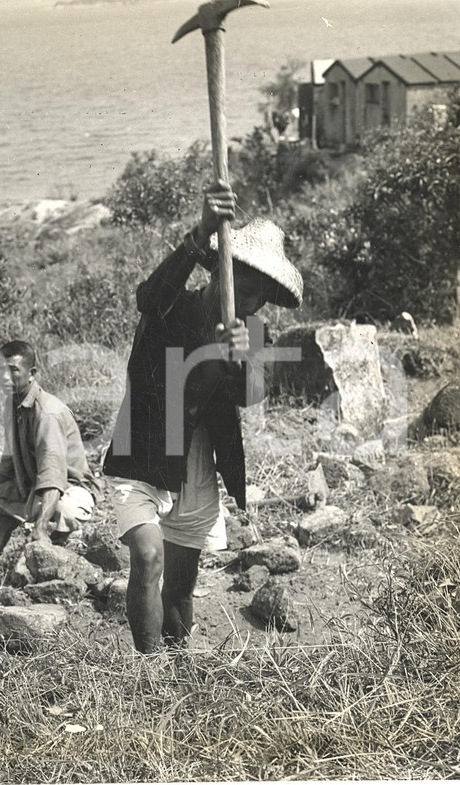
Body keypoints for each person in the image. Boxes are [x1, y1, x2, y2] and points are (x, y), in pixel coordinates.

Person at [102, 182, 303, 654]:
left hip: (195, 467)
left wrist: (238, 358)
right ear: (221, 270)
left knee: (180, 585)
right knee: (148, 558)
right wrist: (199, 235)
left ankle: (179, 663)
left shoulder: (250, 331)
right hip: (144, 451)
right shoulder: (174, 305)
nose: (250, 299)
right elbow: (147, 297)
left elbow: (253, 393)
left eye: (260, 293)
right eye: (244, 284)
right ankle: (149, 671)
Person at [0, 340, 102, 561]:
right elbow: (6, 470)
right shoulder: (12, 406)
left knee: (67, 511)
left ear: (31, 373)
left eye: (13, 370)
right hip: (32, 487)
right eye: (1, 371)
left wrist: (40, 527)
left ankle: (62, 552)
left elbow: (53, 478)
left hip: (68, 488)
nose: (5, 377)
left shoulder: (48, 414)